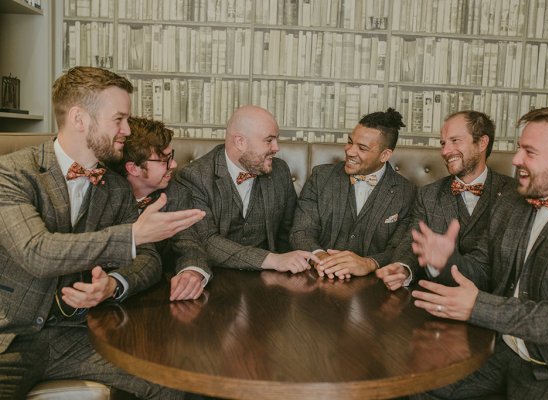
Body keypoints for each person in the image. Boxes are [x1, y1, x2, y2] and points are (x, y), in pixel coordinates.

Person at [0, 66, 204, 399]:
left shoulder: (115, 188)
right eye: (118, 119)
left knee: (172, 382)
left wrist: (113, 284)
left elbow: (149, 259)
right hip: (7, 339)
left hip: (75, 336)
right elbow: (36, 252)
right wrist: (132, 236)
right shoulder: (11, 173)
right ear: (80, 119)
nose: (126, 130)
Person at [409, 104, 548, 399]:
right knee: (420, 388)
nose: (515, 159)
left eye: (529, 152)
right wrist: (446, 261)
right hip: (499, 350)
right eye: (518, 148)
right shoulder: (512, 200)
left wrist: (479, 307)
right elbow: (484, 271)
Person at [377, 111, 515, 290]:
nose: (445, 151)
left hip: (491, 304)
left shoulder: (512, 193)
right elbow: (413, 241)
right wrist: (402, 269)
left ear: (482, 143)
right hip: (433, 299)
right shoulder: (428, 195)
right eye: (443, 143)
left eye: (455, 141)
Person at [174, 105, 319, 272]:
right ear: (240, 142)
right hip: (218, 275)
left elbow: (289, 229)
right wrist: (272, 260)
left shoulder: (280, 171)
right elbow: (205, 240)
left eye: (276, 139)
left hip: (270, 276)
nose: (276, 147)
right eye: (269, 140)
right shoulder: (195, 176)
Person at [290, 108, 416, 279]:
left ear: (384, 155)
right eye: (350, 142)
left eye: (362, 148)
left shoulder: (406, 192)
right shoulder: (321, 177)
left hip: (375, 288)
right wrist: (321, 258)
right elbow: (301, 231)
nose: (349, 151)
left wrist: (369, 263)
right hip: (319, 278)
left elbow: (401, 247)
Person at [114, 116, 211, 301]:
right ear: (134, 168)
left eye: (171, 157)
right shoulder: (105, 194)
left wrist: (192, 271)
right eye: (164, 160)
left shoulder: (176, 193)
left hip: (158, 296)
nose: (173, 165)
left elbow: (189, 243)